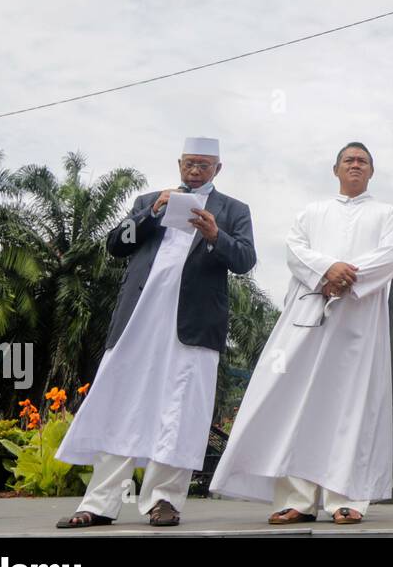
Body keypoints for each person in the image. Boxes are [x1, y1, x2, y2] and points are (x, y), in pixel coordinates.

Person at [56, 137, 256, 529]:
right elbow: (117, 245)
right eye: (189, 162)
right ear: (179, 163)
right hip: (139, 320)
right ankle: (99, 503)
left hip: (193, 326)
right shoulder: (150, 200)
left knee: (179, 411)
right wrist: (152, 211)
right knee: (121, 404)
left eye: (203, 163)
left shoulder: (233, 210)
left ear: (218, 168)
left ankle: (163, 501)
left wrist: (216, 235)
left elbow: (245, 260)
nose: (195, 169)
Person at [208, 142, 393, 524]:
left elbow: (390, 256)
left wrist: (347, 277)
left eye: (362, 161)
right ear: (335, 169)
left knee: (351, 407)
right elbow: (294, 251)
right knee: (301, 403)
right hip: (311, 313)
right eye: (349, 160)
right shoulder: (313, 212)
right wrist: (327, 271)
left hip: (359, 323)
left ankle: (345, 498)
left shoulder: (387, 214)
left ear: (372, 172)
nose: (355, 165)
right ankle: (297, 498)